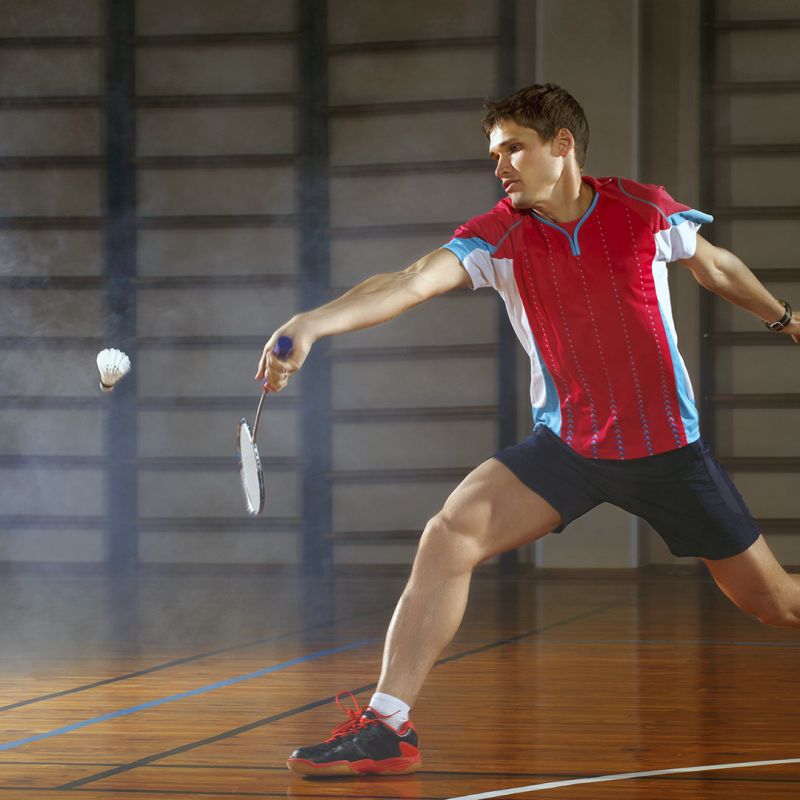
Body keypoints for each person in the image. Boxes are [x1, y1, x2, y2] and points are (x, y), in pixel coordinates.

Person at [255, 83, 800, 777]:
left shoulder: (639, 210)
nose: (500, 166)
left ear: (562, 146)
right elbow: (409, 280)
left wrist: (788, 322)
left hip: (667, 451)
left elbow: (716, 266)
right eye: (495, 152)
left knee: (776, 604)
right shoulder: (499, 234)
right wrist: (312, 324)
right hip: (570, 447)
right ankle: (389, 724)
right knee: (451, 534)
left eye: (513, 148)